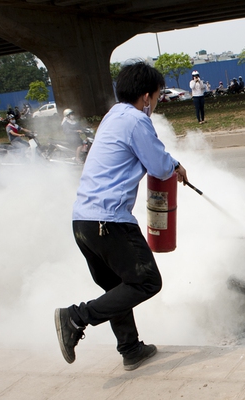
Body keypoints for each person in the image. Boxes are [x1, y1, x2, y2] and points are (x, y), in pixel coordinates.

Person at [54, 61, 189, 371]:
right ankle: (76, 317)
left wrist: (173, 163)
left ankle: (130, 348)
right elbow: (157, 165)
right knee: (147, 282)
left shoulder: (113, 116)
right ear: (145, 97)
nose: (155, 103)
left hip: (83, 223)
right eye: (156, 97)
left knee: (118, 287)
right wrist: (175, 166)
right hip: (109, 221)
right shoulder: (137, 120)